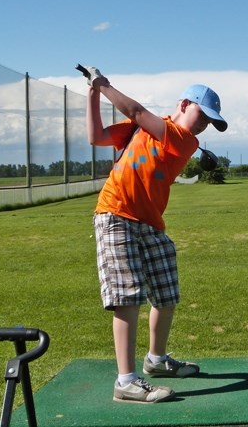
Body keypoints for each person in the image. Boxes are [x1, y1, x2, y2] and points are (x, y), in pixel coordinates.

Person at [84, 66, 228, 404]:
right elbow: (97, 137)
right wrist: (93, 92)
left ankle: (157, 360)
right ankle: (126, 380)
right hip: (116, 212)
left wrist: (103, 85)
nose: (204, 124)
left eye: (210, 122)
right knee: (127, 295)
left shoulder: (183, 140)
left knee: (166, 292)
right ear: (184, 103)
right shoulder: (142, 127)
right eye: (202, 115)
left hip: (150, 222)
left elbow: (135, 110)